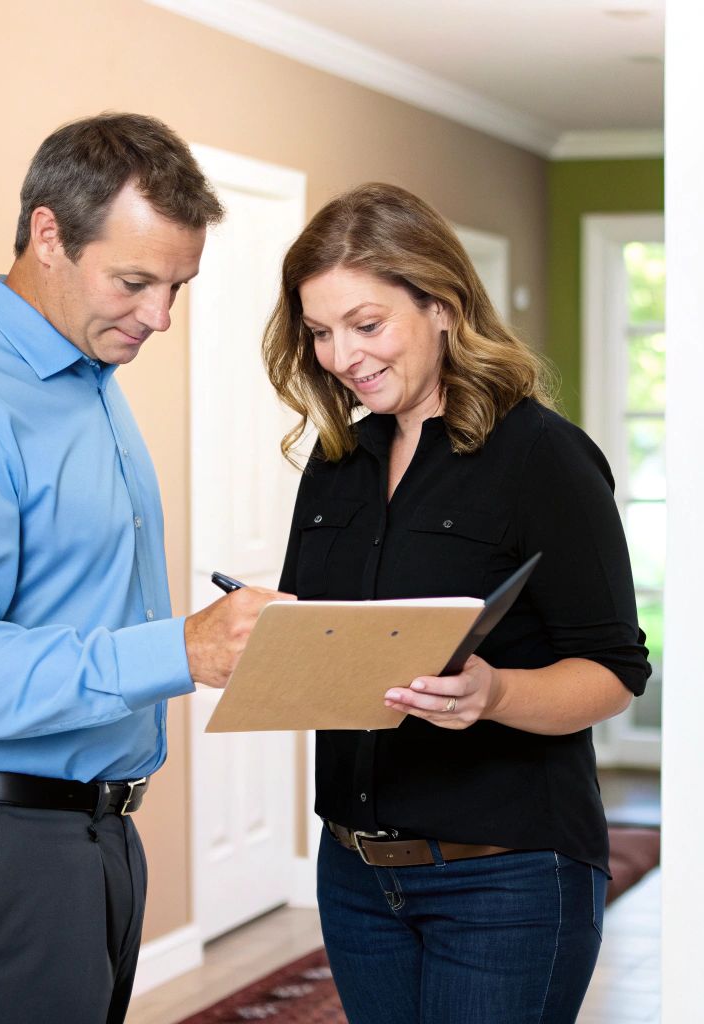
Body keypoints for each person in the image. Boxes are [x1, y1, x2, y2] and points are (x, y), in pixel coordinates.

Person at [0, 112, 288, 1024]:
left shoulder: (84, 380)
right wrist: (180, 651)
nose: (159, 317)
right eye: (135, 282)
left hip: (85, 837)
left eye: (177, 286)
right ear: (49, 234)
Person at [262, 182, 652, 1023]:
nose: (341, 356)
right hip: (356, 876)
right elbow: (325, 636)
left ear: (441, 305)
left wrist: (494, 693)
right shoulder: (337, 460)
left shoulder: (543, 456)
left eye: (367, 325)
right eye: (320, 332)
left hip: (509, 877)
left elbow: (615, 672)